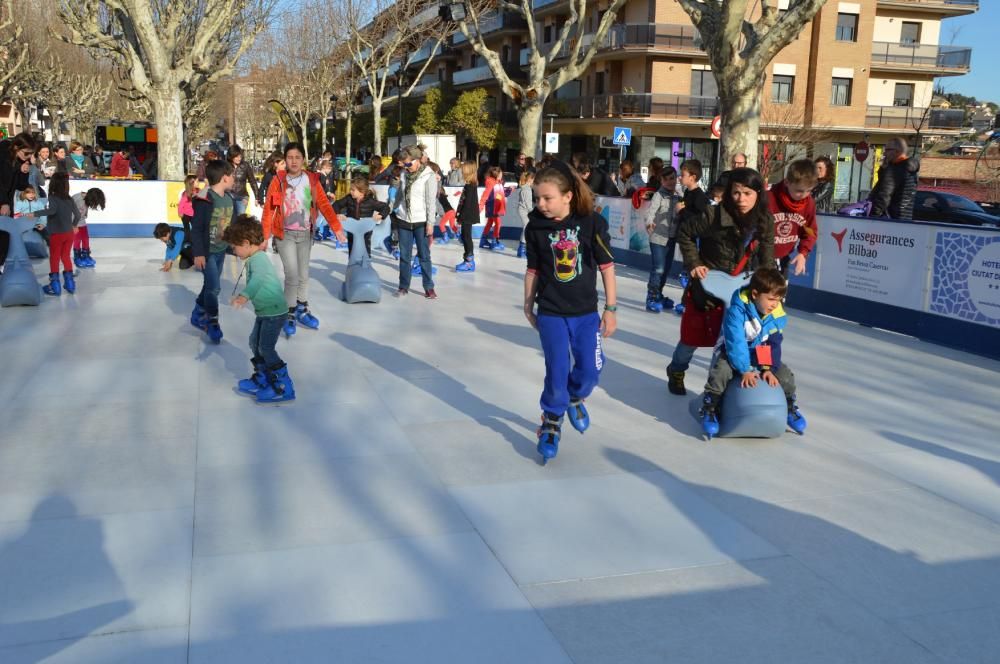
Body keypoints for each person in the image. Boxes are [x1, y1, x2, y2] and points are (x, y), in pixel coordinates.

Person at [523, 160, 617, 464]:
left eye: (547, 198)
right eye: (538, 197)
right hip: (550, 311)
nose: (541, 204)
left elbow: (607, 266)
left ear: (568, 196)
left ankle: (576, 396)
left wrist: (611, 308)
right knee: (557, 368)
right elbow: (533, 268)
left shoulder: (590, 222)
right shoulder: (535, 226)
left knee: (590, 370)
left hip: (586, 313)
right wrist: (528, 303)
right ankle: (551, 420)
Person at [667, 167, 775, 396]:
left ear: (758, 193)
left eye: (747, 193)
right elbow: (685, 232)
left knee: (737, 340)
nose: (741, 199)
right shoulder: (713, 215)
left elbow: (766, 259)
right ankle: (676, 369)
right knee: (692, 338)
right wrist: (694, 263)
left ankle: (721, 390)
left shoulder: (764, 221)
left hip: (743, 292)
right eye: (736, 193)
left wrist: (768, 289)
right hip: (709, 288)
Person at [698, 266, 806, 437]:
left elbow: (772, 344)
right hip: (731, 351)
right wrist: (745, 369)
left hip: (759, 351)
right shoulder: (737, 311)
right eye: (771, 299)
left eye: (778, 300)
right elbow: (736, 342)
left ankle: (790, 406)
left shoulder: (775, 315)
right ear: (755, 294)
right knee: (722, 372)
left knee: (784, 375)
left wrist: (768, 368)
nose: (775, 304)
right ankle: (710, 406)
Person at [261, 142, 346, 336]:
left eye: (297, 157)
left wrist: (336, 227)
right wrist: (265, 236)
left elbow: (323, 203)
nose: (293, 161)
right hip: (285, 234)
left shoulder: (311, 180)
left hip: (305, 234)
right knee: (292, 275)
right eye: (290, 157)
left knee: (304, 275)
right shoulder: (278, 181)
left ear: (303, 160)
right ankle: (288, 313)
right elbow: (269, 210)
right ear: (285, 160)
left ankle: (302, 308)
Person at [224, 215, 297, 403]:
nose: (234, 251)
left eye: (234, 247)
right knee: (254, 343)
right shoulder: (253, 258)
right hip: (265, 311)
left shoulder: (260, 260)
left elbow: (257, 281)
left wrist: (244, 296)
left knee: (266, 348)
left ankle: (283, 386)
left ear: (246, 243)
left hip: (274, 312)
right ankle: (263, 377)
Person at [190, 159, 236, 344]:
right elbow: (197, 229)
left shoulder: (228, 199)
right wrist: (199, 253)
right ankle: (212, 321)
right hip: (207, 252)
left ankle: (197, 314)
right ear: (225, 178)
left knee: (209, 285)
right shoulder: (206, 200)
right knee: (214, 287)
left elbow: (230, 225)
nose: (234, 178)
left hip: (221, 250)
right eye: (232, 175)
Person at [392, 145, 438, 298]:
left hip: (421, 221)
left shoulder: (429, 175)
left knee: (424, 255)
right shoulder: (405, 174)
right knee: (404, 256)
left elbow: (431, 202)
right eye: (404, 164)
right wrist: (390, 208)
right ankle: (403, 286)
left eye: (408, 163)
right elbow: (400, 194)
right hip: (404, 219)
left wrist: (430, 223)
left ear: (417, 160)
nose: (406, 166)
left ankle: (428, 287)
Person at [33, 172, 81, 296]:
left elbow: (52, 210)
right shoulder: (69, 198)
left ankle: (55, 286)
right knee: (65, 256)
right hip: (69, 233)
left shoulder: (53, 197)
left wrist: (35, 213)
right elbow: (78, 215)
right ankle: (70, 284)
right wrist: (74, 225)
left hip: (57, 233)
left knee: (54, 258)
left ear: (53, 183)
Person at [769, 159, 818, 277]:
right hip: (760, 256)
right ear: (787, 182)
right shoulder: (769, 198)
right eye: (799, 191)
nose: (804, 195)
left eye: (809, 191)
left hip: (784, 256)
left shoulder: (809, 203)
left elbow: (810, 231)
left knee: (778, 293)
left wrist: (803, 253)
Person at [643, 166, 680, 313]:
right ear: (661, 181)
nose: (670, 182)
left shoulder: (679, 195)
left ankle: (658, 294)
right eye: (667, 179)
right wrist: (649, 222)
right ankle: (651, 297)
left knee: (665, 270)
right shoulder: (659, 195)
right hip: (658, 237)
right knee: (658, 269)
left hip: (671, 238)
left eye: (673, 178)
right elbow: (650, 212)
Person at [0, 133, 37, 268]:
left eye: (30, 154)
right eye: (26, 153)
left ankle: (1, 265)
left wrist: (24, 172)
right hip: (3, 201)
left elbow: (21, 186)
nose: (28, 157)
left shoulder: (21, 161)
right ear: (16, 147)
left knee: (5, 236)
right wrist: (3, 202)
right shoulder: (3, 155)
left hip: (7, 203)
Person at [332, 176, 390, 257]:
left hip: (365, 229)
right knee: (352, 250)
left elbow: (385, 207)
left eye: (353, 190)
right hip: (352, 229)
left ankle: (365, 265)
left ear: (361, 191)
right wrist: (338, 214)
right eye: (351, 189)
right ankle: (353, 266)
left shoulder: (370, 201)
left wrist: (380, 215)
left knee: (365, 248)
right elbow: (336, 204)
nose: (351, 192)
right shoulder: (349, 199)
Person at [868, 137, 919, 219]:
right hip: (905, 217)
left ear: (897, 151)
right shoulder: (911, 169)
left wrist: (874, 215)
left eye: (887, 149)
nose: (884, 153)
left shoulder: (895, 170)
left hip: (890, 218)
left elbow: (884, 195)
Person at [71, 187, 106, 268]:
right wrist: (74, 226)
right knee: (77, 239)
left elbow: (84, 209)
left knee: (85, 238)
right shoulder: (78, 199)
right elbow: (71, 214)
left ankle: (86, 255)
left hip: (82, 221)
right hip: (74, 223)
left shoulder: (86, 199)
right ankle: (77, 257)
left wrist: (85, 214)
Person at [454, 161, 479, 273]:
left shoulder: (470, 186)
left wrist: (461, 217)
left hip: (467, 215)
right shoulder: (469, 185)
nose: (462, 172)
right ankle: (468, 260)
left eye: (463, 170)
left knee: (467, 237)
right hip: (466, 215)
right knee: (465, 236)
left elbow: (467, 204)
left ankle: (469, 261)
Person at [479, 166, 507, 250]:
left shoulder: (498, 182)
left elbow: (499, 194)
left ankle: (483, 240)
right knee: (498, 223)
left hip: (495, 206)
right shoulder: (491, 182)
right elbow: (486, 194)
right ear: (497, 174)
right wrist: (481, 205)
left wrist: (508, 191)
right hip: (493, 206)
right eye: (501, 173)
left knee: (490, 222)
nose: (502, 174)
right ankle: (494, 242)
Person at [676, 159, 710, 228]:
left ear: (692, 177)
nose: (680, 177)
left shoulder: (699, 196)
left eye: (683, 175)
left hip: (691, 236)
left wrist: (681, 210)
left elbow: (699, 219)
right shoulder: (687, 191)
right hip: (684, 231)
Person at [227, 145, 259, 217]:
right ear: (231, 156)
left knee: (240, 219)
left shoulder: (245, 165)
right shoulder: (225, 166)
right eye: (237, 156)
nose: (239, 158)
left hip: (242, 197)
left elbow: (253, 181)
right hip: (229, 196)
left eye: (240, 156)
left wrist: (257, 197)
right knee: (230, 220)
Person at [514, 169, 535, 258]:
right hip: (524, 211)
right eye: (534, 180)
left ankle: (523, 247)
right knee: (527, 228)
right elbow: (528, 204)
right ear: (530, 179)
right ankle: (521, 248)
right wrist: (533, 212)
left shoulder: (526, 188)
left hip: (523, 210)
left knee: (527, 228)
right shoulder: (527, 190)